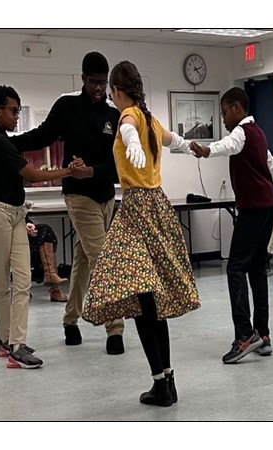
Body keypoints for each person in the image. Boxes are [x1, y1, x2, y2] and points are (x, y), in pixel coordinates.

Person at [81, 60, 201, 407]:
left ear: (117, 91)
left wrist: (130, 139)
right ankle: (166, 380)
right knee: (147, 302)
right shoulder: (149, 117)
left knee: (140, 299)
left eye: (112, 92)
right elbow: (172, 140)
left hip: (136, 208)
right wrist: (191, 146)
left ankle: (162, 382)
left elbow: (130, 125)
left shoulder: (130, 116)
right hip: (158, 207)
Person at [10, 51, 126, 355]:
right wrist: (10, 142)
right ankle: (115, 329)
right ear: (83, 78)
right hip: (78, 195)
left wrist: (93, 171)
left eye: (103, 83)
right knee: (102, 258)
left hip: (106, 196)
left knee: (85, 260)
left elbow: (116, 164)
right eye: (93, 82)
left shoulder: (113, 116)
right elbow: (43, 136)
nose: (99, 88)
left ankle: (70, 320)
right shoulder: (67, 106)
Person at [0, 85, 73, 369]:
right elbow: (31, 176)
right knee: (4, 283)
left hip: (15, 215)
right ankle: (6, 342)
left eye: (18, 110)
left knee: (22, 280)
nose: (17, 115)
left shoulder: (4, 139)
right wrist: (68, 170)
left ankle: (16, 344)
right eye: (14, 110)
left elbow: (28, 152)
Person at [190, 88, 273, 363]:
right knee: (257, 269)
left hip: (254, 209)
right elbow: (269, 159)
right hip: (267, 207)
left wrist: (207, 150)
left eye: (223, 113)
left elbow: (228, 145)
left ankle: (244, 336)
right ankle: (263, 335)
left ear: (236, 108)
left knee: (235, 268)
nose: (223, 119)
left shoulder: (242, 132)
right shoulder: (259, 131)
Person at [26, 217, 69, 302]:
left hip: (24, 230)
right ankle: (54, 286)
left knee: (46, 230)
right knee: (45, 232)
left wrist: (29, 225)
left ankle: (51, 274)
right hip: (11, 233)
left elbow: (23, 217)